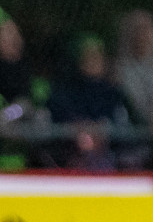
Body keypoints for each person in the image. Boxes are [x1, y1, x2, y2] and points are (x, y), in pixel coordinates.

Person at [48, 35, 132, 171]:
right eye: (87, 56)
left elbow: (123, 124)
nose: (93, 60)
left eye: (97, 55)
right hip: (69, 160)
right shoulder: (64, 90)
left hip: (110, 160)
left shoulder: (113, 93)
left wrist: (102, 131)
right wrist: (78, 129)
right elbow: (58, 118)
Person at [115, 10, 153, 134]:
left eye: (147, 31)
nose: (143, 37)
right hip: (133, 130)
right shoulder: (121, 70)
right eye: (138, 32)